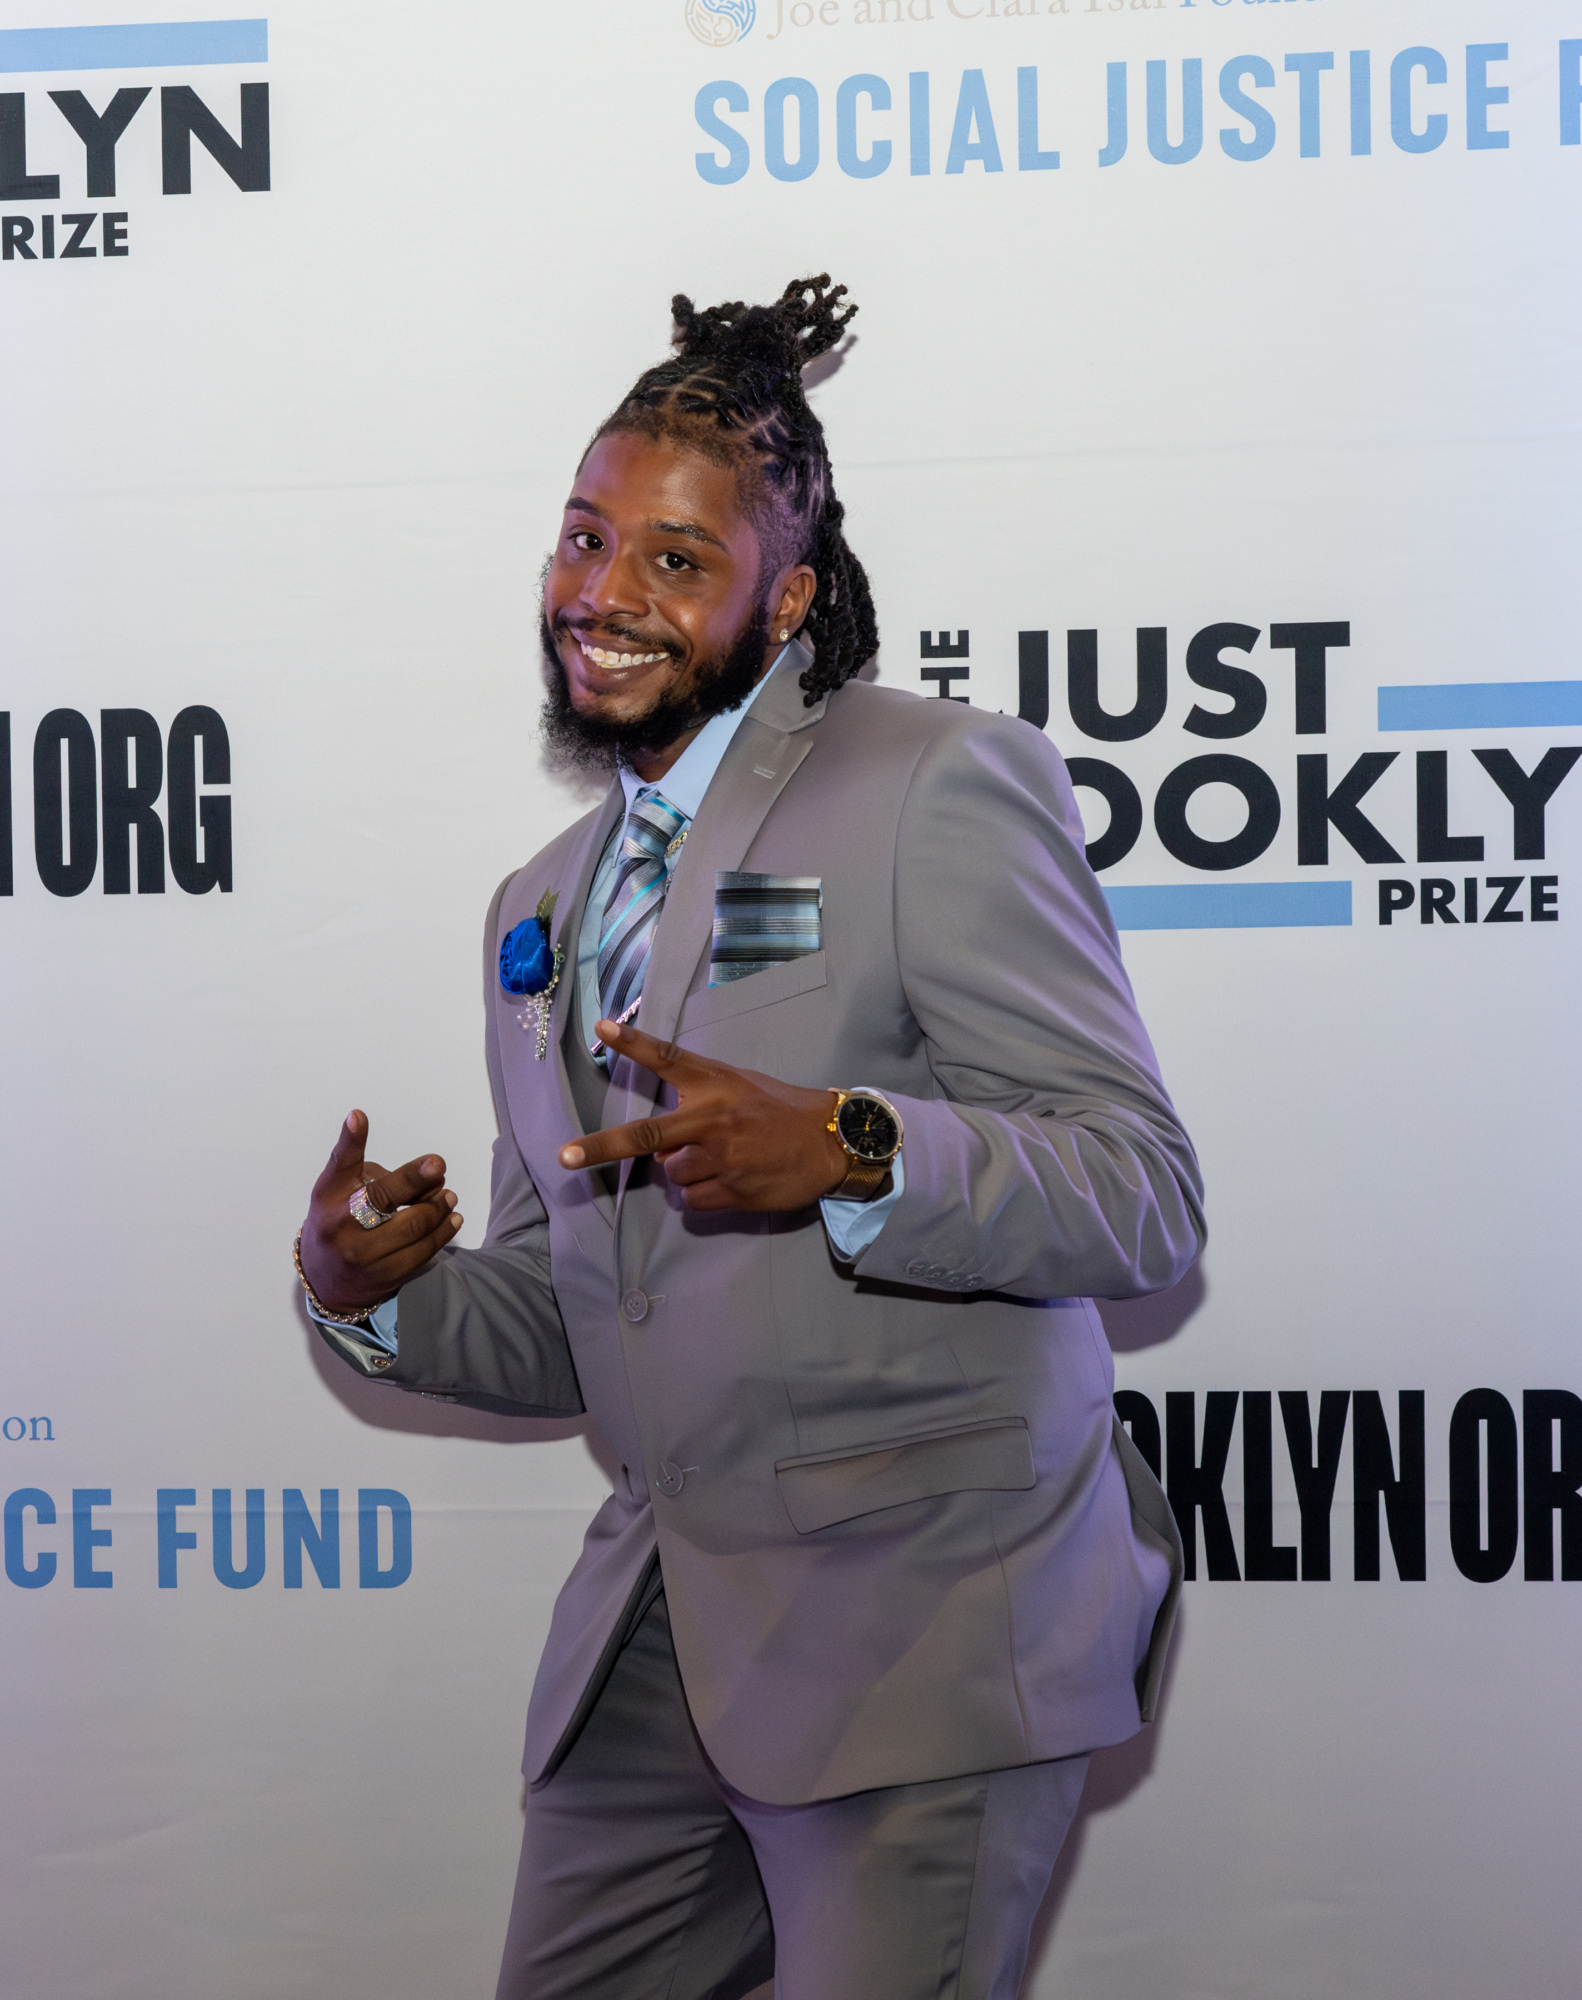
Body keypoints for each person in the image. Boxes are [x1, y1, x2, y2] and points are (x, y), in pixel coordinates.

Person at [295, 275, 1205, 2000]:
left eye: (673, 560)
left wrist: (858, 1149)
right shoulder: (538, 909)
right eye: (584, 539)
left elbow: (1140, 1196)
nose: (604, 596)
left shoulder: (933, 780)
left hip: (924, 1621)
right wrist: (371, 1292)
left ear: (782, 598)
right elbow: (573, 1314)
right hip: (658, 1639)